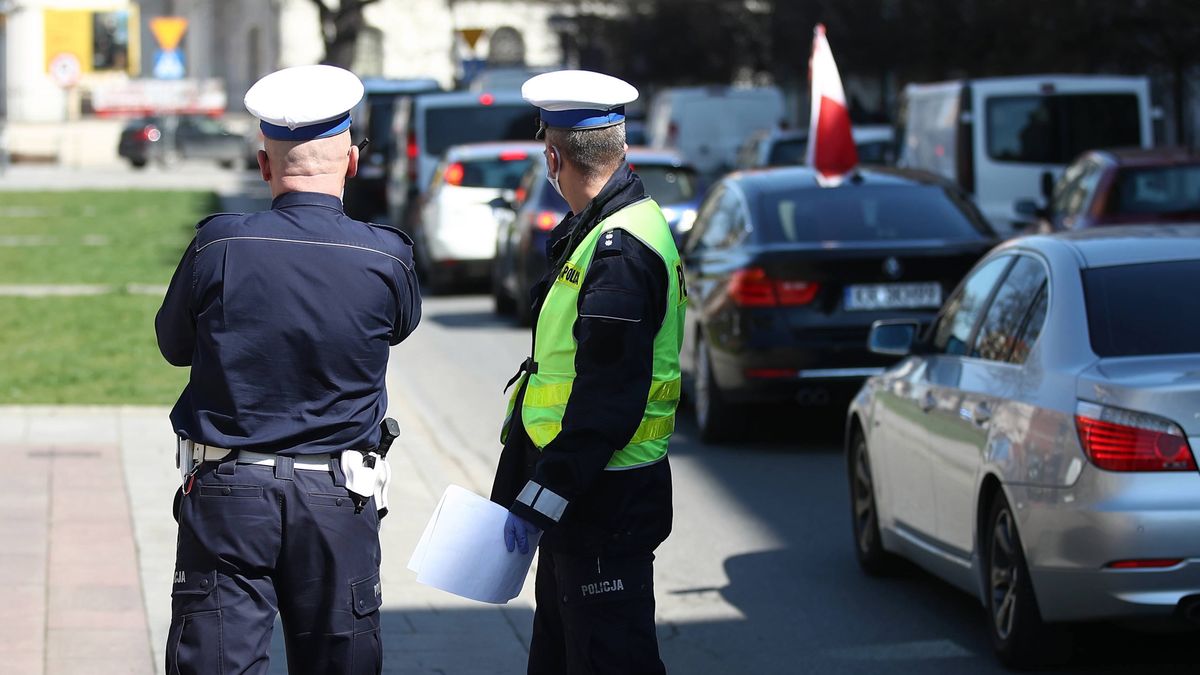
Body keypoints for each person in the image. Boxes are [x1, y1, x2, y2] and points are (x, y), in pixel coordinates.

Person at [155, 64, 421, 675]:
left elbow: (173, 344)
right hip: (336, 495)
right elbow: (400, 327)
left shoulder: (218, 245)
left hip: (228, 494)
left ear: (262, 163)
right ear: (351, 162)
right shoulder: (386, 255)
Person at [491, 70, 687, 675]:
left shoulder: (620, 251)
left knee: (609, 662)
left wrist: (542, 495)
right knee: (563, 656)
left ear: (553, 156)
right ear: (619, 146)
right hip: (586, 494)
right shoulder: (612, 226)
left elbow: (607, 396)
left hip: (602, 496)